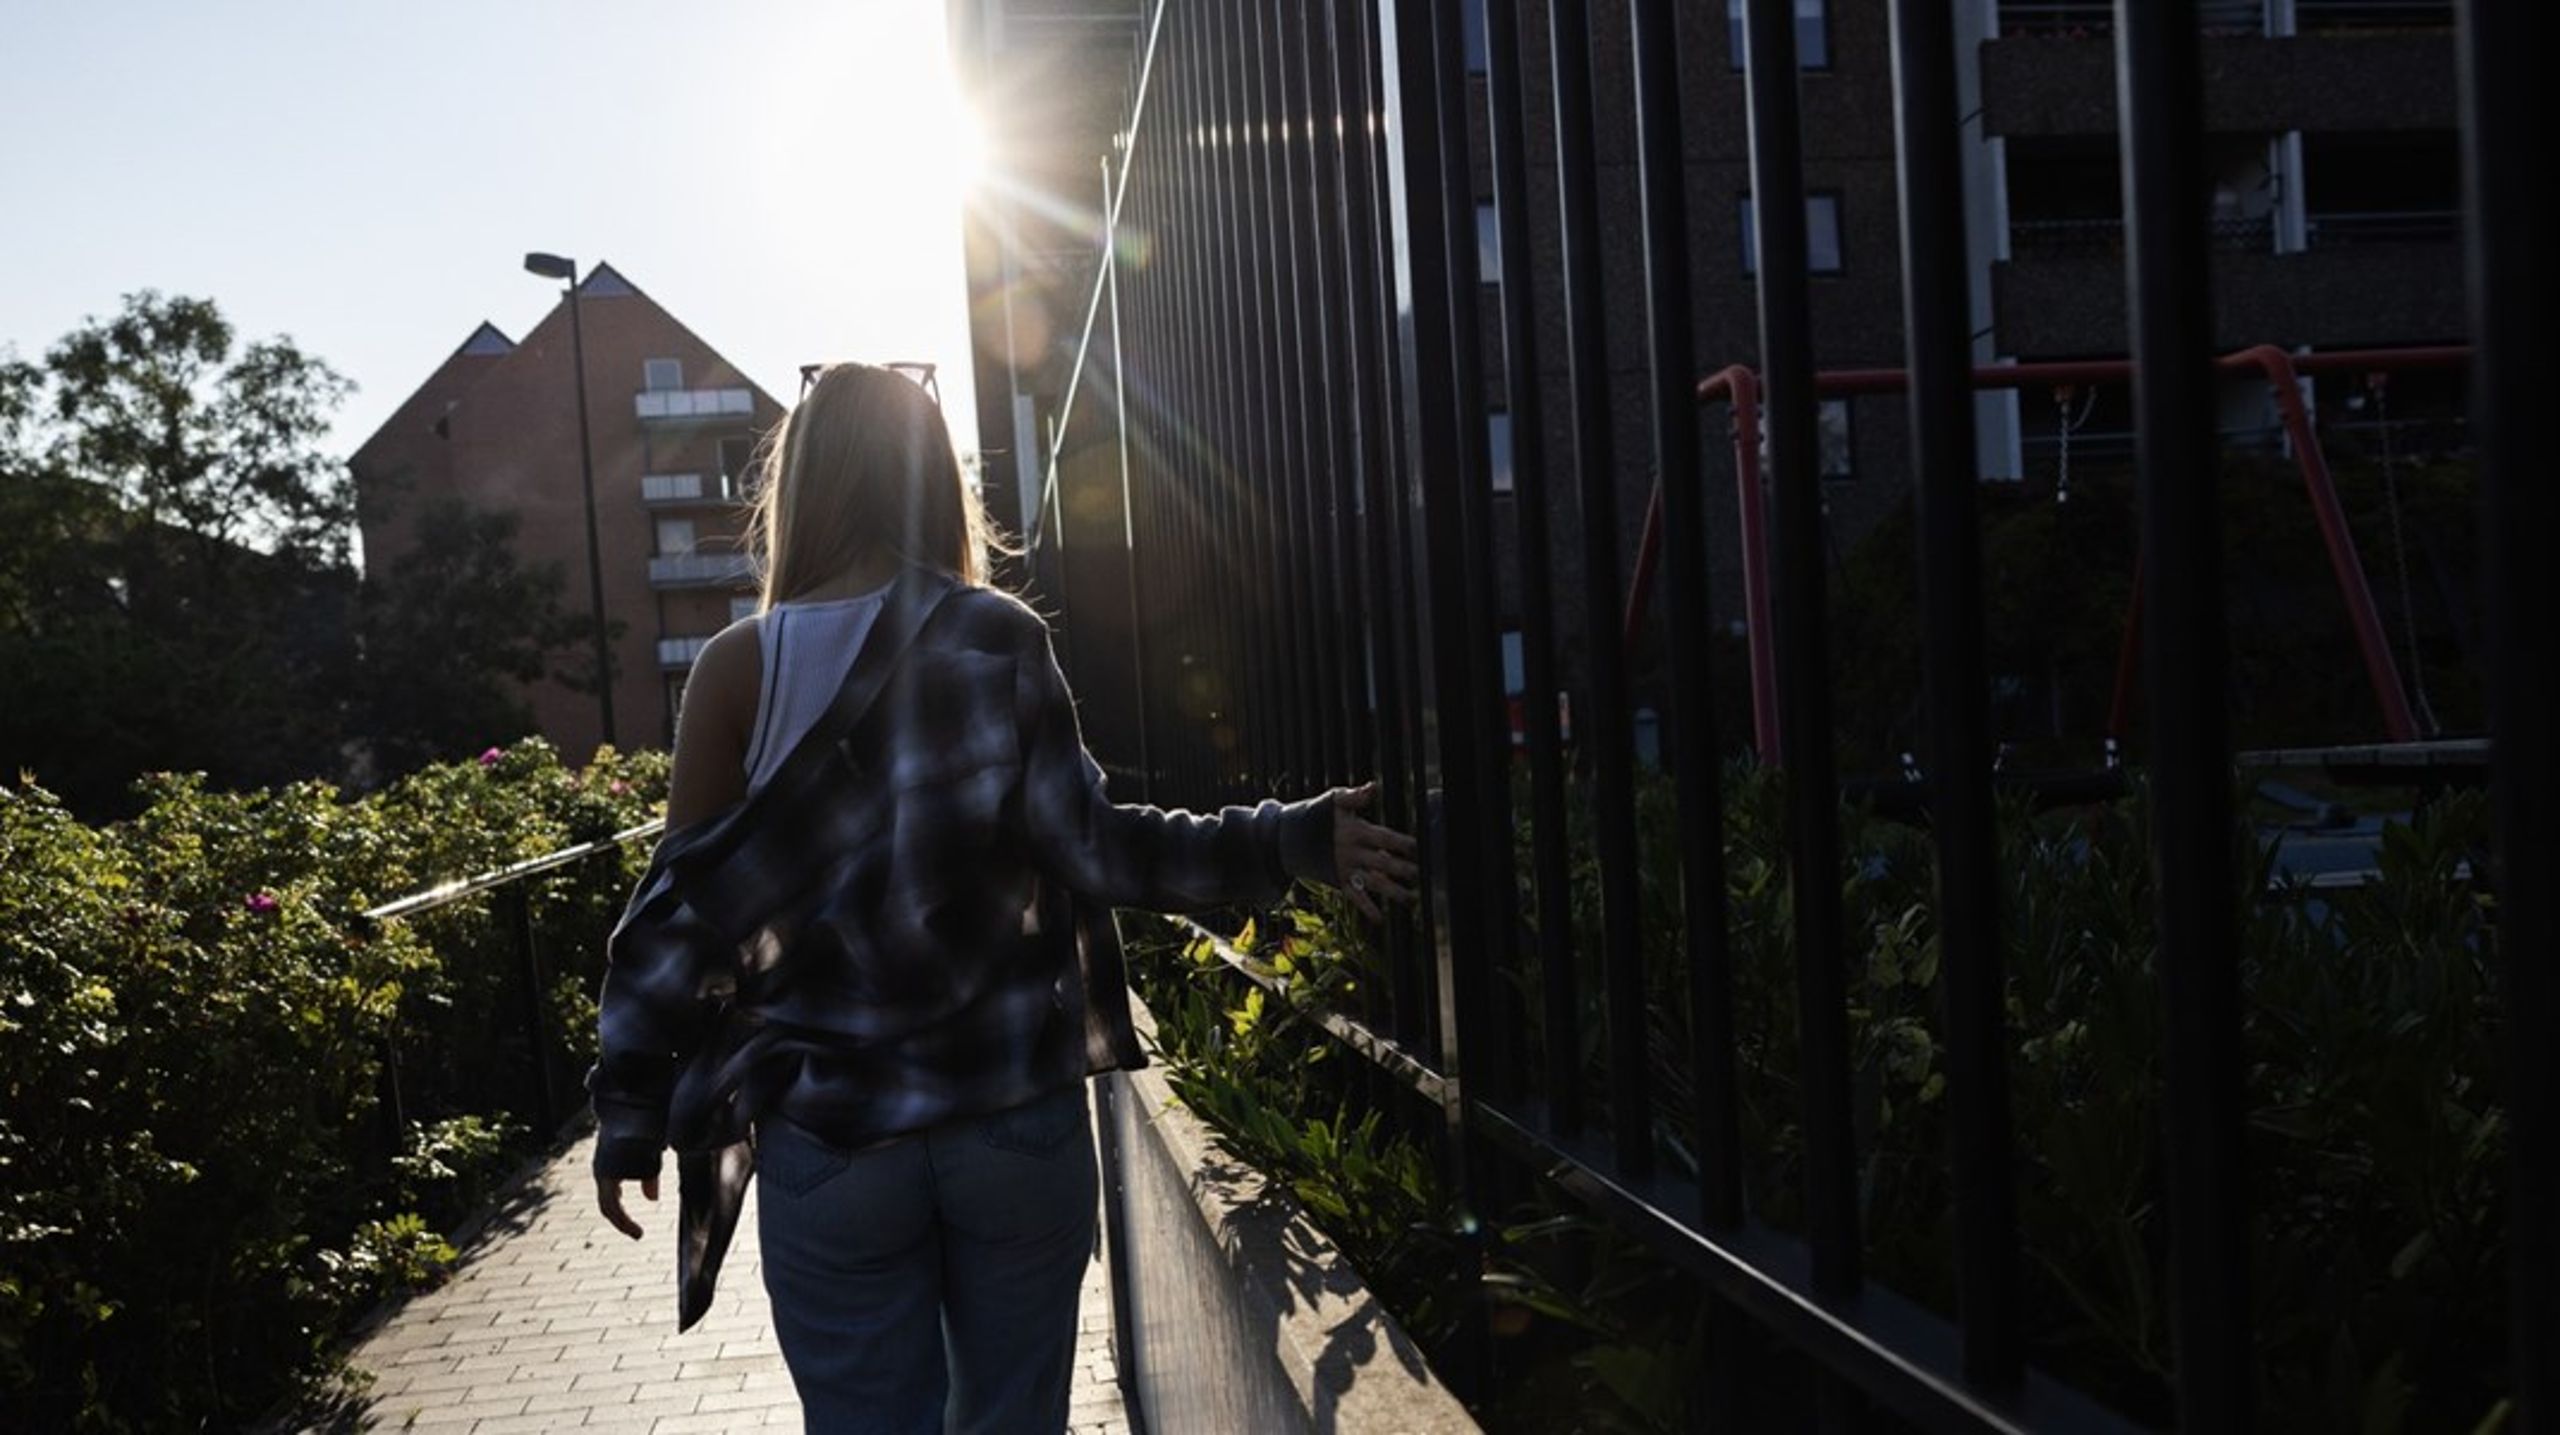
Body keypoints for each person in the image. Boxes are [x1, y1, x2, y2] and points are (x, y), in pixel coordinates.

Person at [586, 362, 1419, 1434]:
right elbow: (1106, 851)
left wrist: (629, 1114)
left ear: (801, 489)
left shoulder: (739, 668)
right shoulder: (1000, 636)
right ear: (934, 480)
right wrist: (1292, 837)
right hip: (1010, 1122)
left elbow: (674, 922)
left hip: (835, 1140)